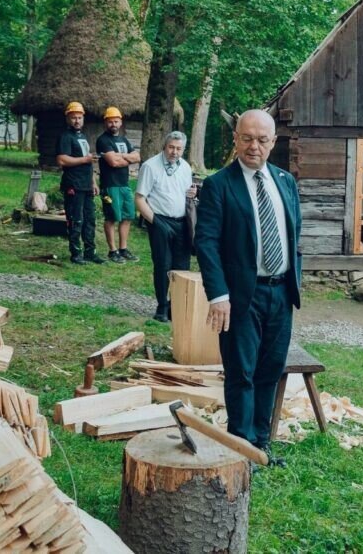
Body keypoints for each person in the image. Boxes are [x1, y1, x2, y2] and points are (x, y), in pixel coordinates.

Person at [195, 109, 301, 465]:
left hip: (281, 292)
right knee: (241, 372)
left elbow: (294, 234)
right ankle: (240, 448)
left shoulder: (285, 181)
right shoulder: (219, 185)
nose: (254, 146)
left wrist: (294, 282)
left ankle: (261, 443)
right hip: (242, 295)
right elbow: (206, 242)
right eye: (247, 138)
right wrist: (218, 295)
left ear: (273, 142)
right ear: (236, 139)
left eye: (262, 140)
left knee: (270, 369)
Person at [136, 131, 196, 322]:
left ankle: (174, 306)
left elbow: (185, 193)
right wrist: (156, 222)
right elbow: (139, 199)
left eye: (179, 149)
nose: (174, 152)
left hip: (181, 222)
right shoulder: (150, 166)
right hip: (159, 220)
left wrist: (192, 193)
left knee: (182, 267)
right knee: (163, 264)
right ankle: (161, 306)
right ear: (165, 146)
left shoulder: (185, 167)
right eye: (171, 147)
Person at [56, 101, 105, 266]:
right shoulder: (65, 137)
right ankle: (76, 254)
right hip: (73, 185)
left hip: (86, 185)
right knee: (76, 220)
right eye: (73, 118)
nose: (77, 121)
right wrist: (85, 159)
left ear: (83, 118)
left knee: (90, 219)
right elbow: (61, 160)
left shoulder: (82, 137)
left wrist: (93, 182)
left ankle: (90, 252)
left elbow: (88, 162)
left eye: (79, 117)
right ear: (67, 119)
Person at [96, 106, 141, 263]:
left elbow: (137, 157)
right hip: (110, 185)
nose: (113, 124)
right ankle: (112, 251)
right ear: (105, 123)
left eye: (116, 121)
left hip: (124, 184)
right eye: (110, 121)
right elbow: (113, 163)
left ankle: (123, 249)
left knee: (127, 217)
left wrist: (120, 155)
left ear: (120, 122)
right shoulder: (103, 140)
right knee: (111, 217)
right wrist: (127, 158)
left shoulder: (124, 140)